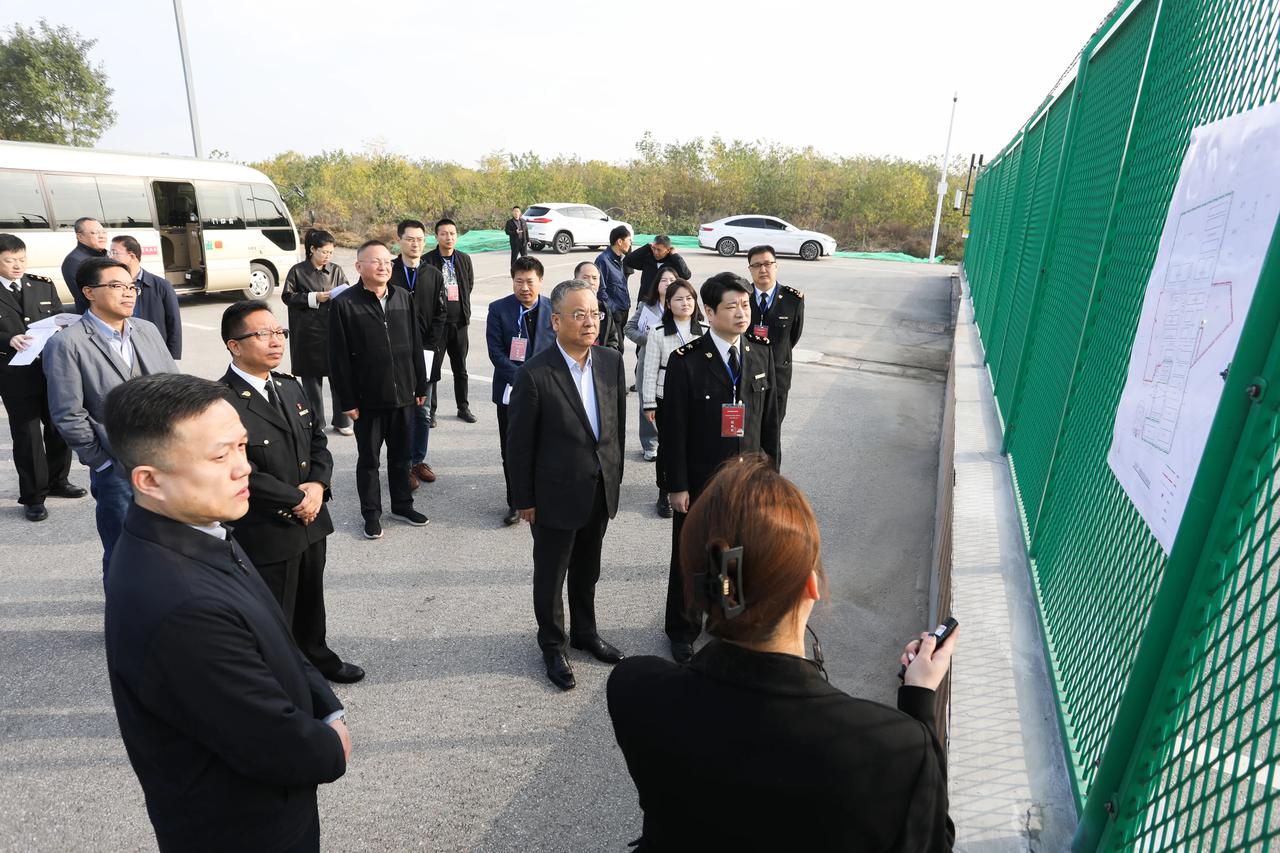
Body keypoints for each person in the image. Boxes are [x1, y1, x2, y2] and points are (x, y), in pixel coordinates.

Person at [607, 456, 956, 851]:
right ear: (811, 585)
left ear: (701, 584)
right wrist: (920, 700)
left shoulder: (634, 689)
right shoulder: (896, 750)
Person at [102, 373, 351, 853]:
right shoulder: (181, 604)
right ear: (149, 480)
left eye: (241, 446)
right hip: (243, 826)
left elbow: (277, 633)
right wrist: (330, 743)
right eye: (220, 456)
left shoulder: (197, 527)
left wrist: (326, 703)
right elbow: (269, 739)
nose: (243, 469)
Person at [219, 300, 364, 685]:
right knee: (273, 609)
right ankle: (281, 677)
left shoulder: (289, 386)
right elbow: (237, 469)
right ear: (235, 345)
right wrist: (294, 499)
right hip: (267, 525)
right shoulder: (220, 401)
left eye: (279, 332)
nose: (276, 340)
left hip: (311, 516)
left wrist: (316, 486)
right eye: (262, 334)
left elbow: (318, 442)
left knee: (311, 597)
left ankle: (317, 656)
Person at [507, 279, 627, 690]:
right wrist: (523, 499)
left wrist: (614, 476)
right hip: (553, 494)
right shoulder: (535, 375)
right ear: (556, 321)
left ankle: (586, 632)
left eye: (594, 313)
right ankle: (552, 645)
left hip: (597, 488)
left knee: (588, 569)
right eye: (579, 315)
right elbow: (519, 446)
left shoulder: (610, 361)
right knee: (551, 573)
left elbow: (616, 428)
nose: (590, 322)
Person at [659, 272, 780, 663]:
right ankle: (682, 627)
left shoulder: (760, 353)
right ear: (709, 312)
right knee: (691, 555)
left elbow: (769, 424)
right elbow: (673, 430)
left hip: (747, 481)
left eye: (745, 305)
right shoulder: (687, 361)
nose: (741, 312)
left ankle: (727, 621)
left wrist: (770, 478)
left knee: (738, 555)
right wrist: (676, 485)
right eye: (731, 306)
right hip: (700, 480)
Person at [43, 257, 178, 578]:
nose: (128, 293)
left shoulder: (147, 330)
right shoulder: (66, 343)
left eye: (132, 287)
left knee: (171, 546)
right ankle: (127, 621)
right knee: (124, 551)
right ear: (89, 292)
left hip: (168, 460)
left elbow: (174, 388)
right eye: (117, 286)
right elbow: (67, 413)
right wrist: (101, 462)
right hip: (116, 466)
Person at [328, 240, 429, 540]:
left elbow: (415, 344)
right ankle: (371, 514)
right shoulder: (345, 304)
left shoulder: (402, 297)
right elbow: (338, 358)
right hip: (367, 400)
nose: (384, 266)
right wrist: (346, 400)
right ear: (359, 267)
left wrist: (419, 384)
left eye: (387, 261)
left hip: (404, 397)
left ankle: (402, 505)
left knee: (401, 457)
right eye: (376, 261)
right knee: (369, 460)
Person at [0, 233, 85, 521]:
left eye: (21, 259)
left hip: (51, 370)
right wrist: (7, 340)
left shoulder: (41, 285)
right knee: (27, 436)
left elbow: (59, 315)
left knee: (58, 427)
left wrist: (62, 328)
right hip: (14, 376)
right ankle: (34, 496)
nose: (17, 265)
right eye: (10, 260)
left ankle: (58, 481)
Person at [486, 256, 555, 526]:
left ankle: (541, 497)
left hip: (547, 390)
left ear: (540, 280)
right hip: (510, 391)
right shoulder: (498, 309)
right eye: (519, 281)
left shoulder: (554, 309)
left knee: (545, 446)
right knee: (512, 448)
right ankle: (515, 501)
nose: (524, 287)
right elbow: (495, 352)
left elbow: (559, 349)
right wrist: (523, 379)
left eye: (530, 281)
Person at [640, 278, 704, 519]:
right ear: (668, 304)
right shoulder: (658, 332)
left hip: (698, 399)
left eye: (689, 298)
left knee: (695, 445)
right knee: (668, 447)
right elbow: (649, 370)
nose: (685, 303)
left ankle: (692, 488)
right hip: (665, 398)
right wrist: (649, 403)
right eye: (678, 299)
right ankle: (664, 492)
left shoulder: (705, 330)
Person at [390, 220, 447, 488]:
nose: (415, 244)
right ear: (399, 240)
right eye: (410, 239)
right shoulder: (388, 270)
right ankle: (400, 464)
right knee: (399, 412)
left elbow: (441, 313)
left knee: (423, 412)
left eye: (420, 239)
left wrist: (429, 347)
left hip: (425, 354)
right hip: (395, 355)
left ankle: (417, 461)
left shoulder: (434, 274)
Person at [281, 229, 352, 437]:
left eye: (331, 252)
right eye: (324, 252)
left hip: (333, 329)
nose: (328, 256)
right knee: (312, 382)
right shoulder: (298, 271)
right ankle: (316, 423)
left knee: (338, 378)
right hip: (307, 332)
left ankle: (342, 420)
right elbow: (288, 296)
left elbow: (347, 293)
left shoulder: (336, 270)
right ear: (312, 249)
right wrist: (313, 298)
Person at [425, 218, 477, 424]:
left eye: (452, 234)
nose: (449, 237)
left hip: (460, 322)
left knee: (460, 368)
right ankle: (432, 411)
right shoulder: (427, 261)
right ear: (436, 236)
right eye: (444, 233)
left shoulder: (464, 259)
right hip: (437, 325)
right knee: (434, 369)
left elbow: (469, 284)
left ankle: (463, 407)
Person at [747, 245, 805, 428]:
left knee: (772, 431)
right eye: (756, 265)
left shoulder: (792, 299)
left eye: (767, 263)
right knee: (748, 430)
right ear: (750, 269)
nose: (762, 269)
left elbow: (793, 337)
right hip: (747, 375)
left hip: (778, 375)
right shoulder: (741, 296)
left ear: (776, 266)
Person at [624, 266, 678, 461]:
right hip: (648, 363)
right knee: (647, 405)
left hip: (674, 365)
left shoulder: (683, 304)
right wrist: (649, 339)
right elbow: (628, 329)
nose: (668, 283)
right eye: (664, 280)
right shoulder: (647, 306)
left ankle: (671, 442)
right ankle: (650, 445)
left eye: (672, 280)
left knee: (673, 405)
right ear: (657, 284)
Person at [109, 235, 182, 359]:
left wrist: (171, 357)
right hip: (123, 352)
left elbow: (173, 323)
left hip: (154, 351)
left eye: (114, 252)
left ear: (132, 256)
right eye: (110, 252)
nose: (110, 257)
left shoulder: (161, 285)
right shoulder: (110, 285)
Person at [593, 225, 633, 352]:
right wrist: (613, 309)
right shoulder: (603, 260)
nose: (630, 243)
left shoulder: (620, 259)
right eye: (629, 240)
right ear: (620, 241)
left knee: (618, 348)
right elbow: (600, 290)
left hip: (623, 309)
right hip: (613, 312)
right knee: (617, 348)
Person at [624, 235, 691, 307]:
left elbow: (686, 275)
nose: (655, 252)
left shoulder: (673, 262)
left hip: (666, 303)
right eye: (654, 248)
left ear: (668, 250)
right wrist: (646, 247)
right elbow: (628, 261)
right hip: (645, 301)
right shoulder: (648, 259)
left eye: (659, 250)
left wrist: (675, 255)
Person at [61, 216, 108, 313]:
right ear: (80, 236)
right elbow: (85, 298)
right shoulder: (74, 261)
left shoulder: (107, 255)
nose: (102, 236)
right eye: (95, 233)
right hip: (94, 318)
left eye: (103, 232)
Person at [574, 260, 620, 350]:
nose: (591, 282)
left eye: (595, 278)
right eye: (585, 277)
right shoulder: (567, 306)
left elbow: (612, 339)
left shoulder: (603, 307)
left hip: (599, 360)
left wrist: (606, 356)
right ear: (575, 280)